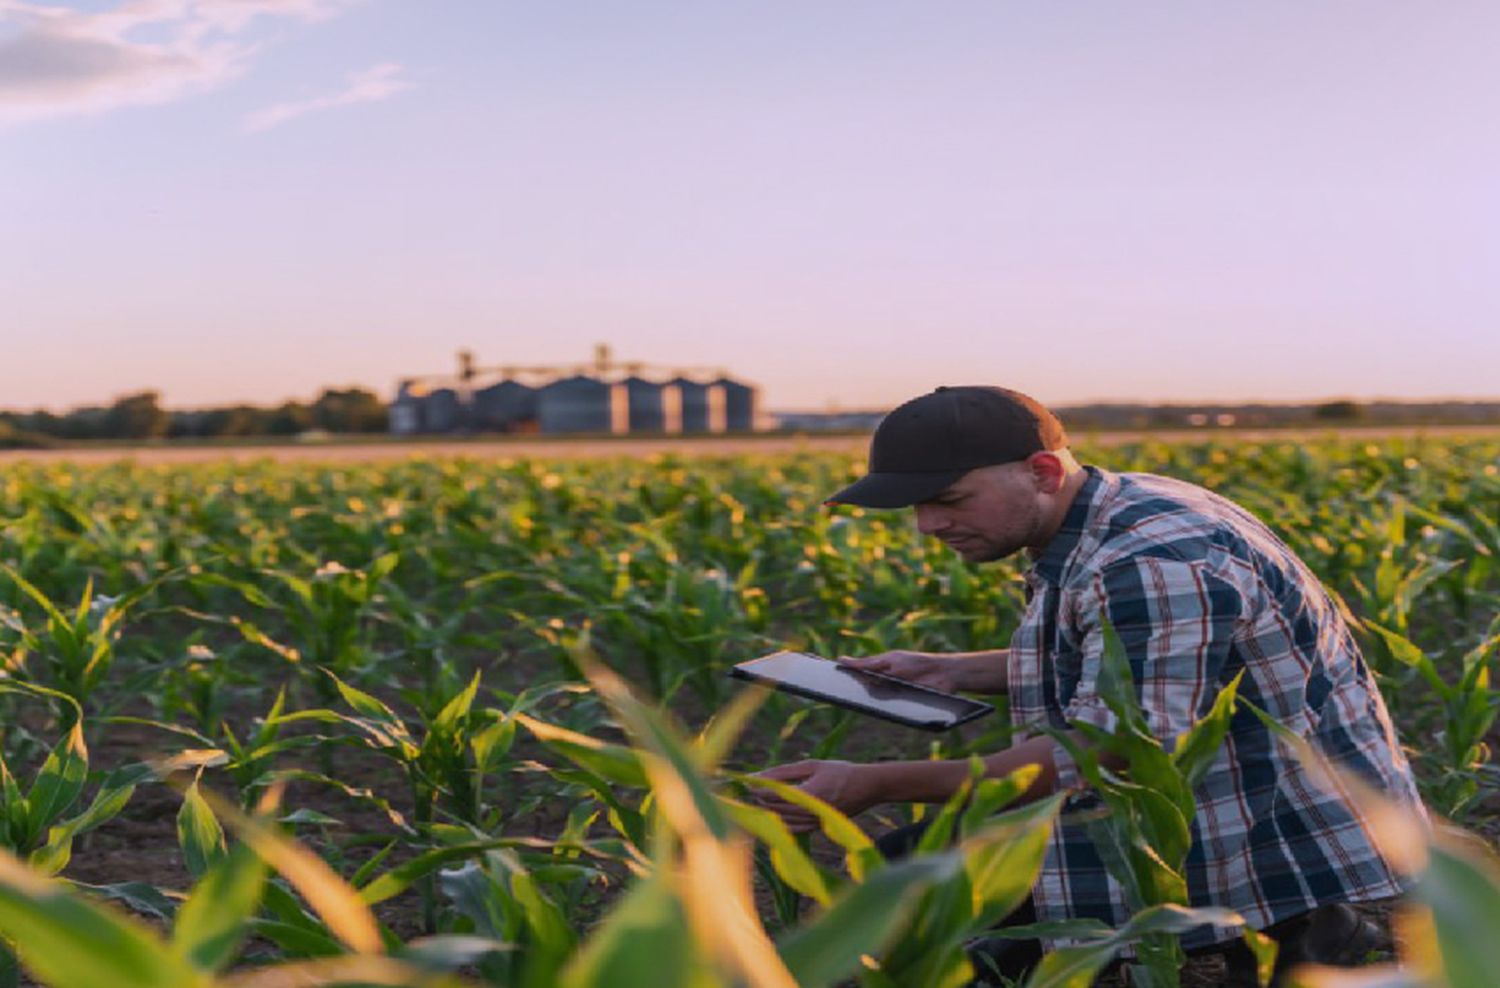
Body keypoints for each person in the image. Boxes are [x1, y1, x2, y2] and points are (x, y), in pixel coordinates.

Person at [754, 385, 1422, 986]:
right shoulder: (1102, 509)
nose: (928, 526)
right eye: (918, 506)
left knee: (914, 905)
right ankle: (1310, 931)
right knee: (919, 890)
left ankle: (1307, 930)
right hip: (1219, 778)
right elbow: (1123, 660)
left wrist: (873, 783)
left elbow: (1116, 746)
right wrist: (950, 671)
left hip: (1266, 806)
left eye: (949, 500)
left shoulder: (1155, 557)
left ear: (1041, 472)